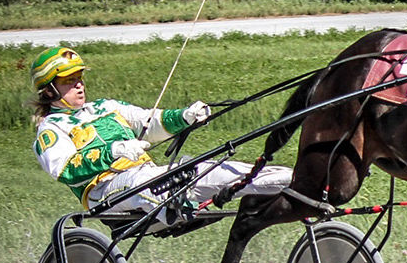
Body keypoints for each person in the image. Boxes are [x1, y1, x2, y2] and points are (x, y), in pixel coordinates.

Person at [29, 46, 291, 215]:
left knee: (213, 170)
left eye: (79, 78)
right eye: (68, 81)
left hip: (151, 176)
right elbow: (64, 170)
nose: (79, 86)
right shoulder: (50, 130)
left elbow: (149, 122)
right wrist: (115, 150)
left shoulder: (107, 107)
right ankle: (175, 205)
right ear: (49, 90)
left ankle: (298, 182)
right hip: (104, 191)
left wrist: (185, 116)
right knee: (146, 183)